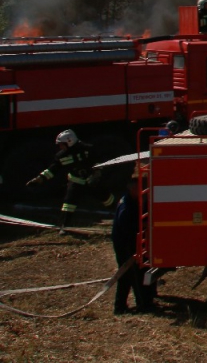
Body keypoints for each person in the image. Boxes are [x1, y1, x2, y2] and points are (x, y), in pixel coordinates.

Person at [26, 130, 114, 230]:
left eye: (61, 144)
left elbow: (99, 162)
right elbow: (53, 169)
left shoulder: (88, 149)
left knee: (106, 197)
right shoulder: (61, 156)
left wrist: (97, 174)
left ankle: (117, 213)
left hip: (91, 179)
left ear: (69, 142)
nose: (60, 147)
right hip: (75, 181)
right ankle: (64, 226)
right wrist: (39, 179)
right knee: (68, 204)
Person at [111, 172, 154, 314]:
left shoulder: (133, 200)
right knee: (129, 274)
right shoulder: (126, 206)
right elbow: (127, 227)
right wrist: (143, 226)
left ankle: (133, 304)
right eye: (139, 188)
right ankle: (128, 306)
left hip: (129, 241)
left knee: (132, 274)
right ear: (131, 188)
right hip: (125, 244)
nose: (142, 191)